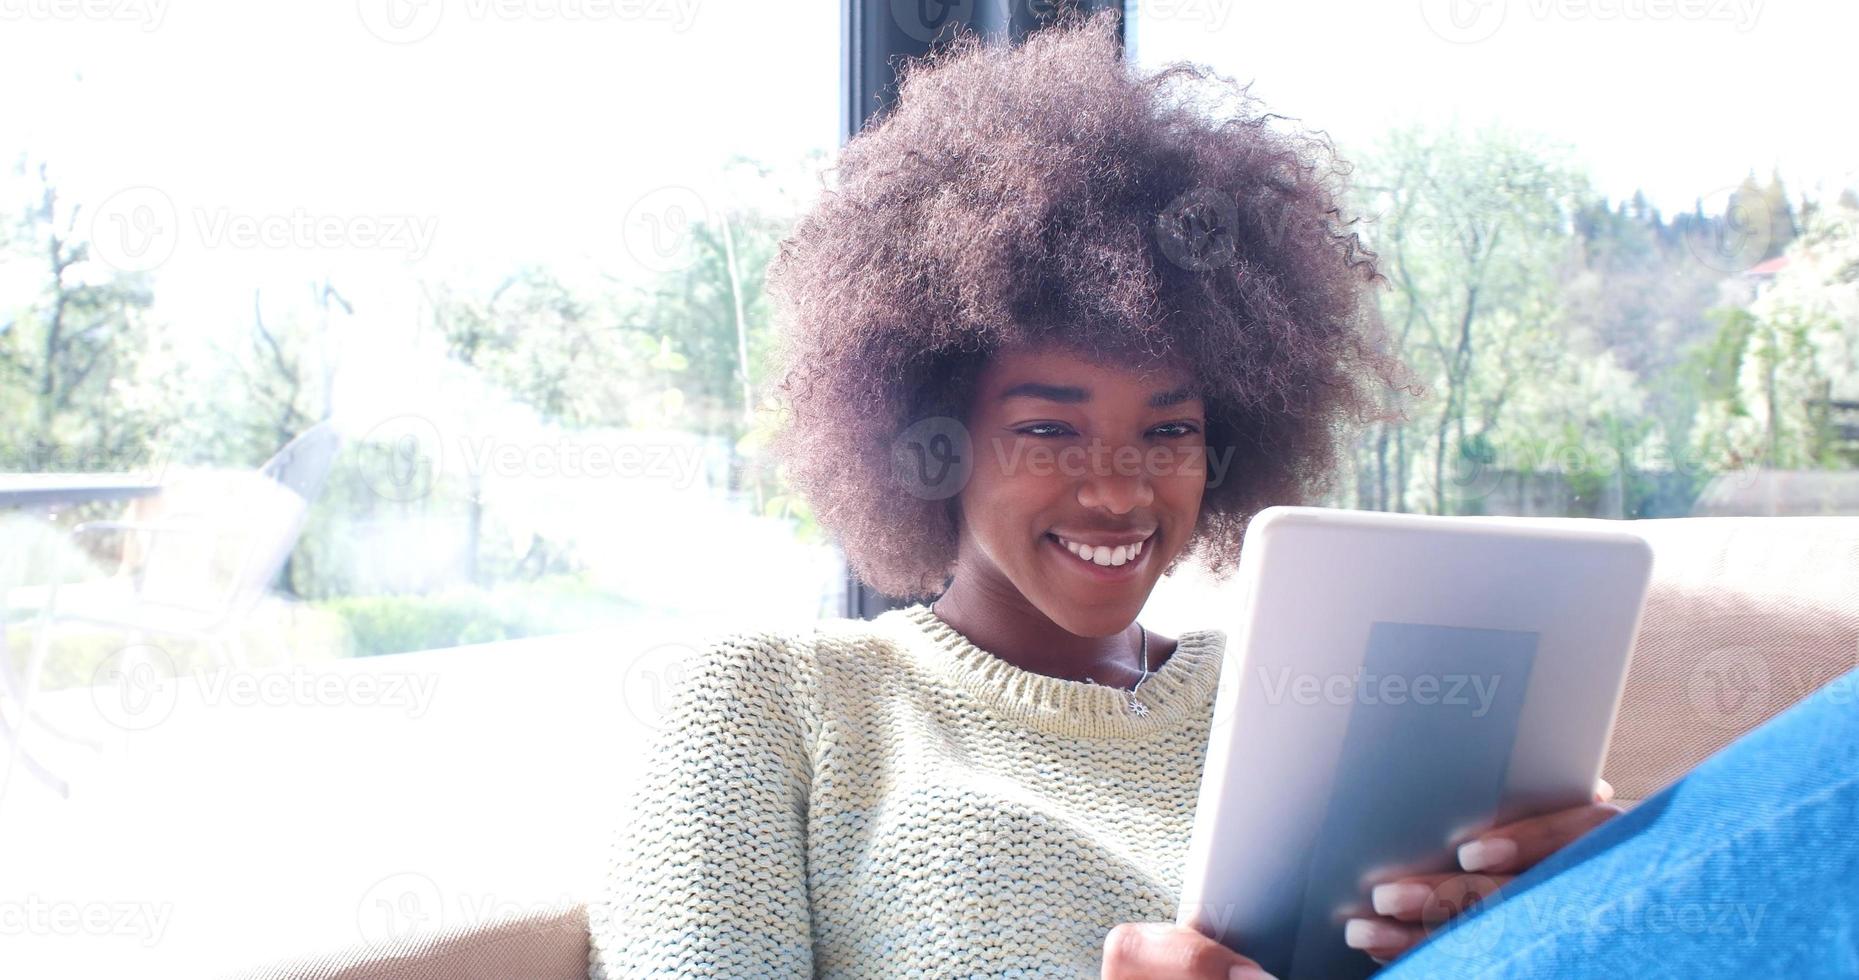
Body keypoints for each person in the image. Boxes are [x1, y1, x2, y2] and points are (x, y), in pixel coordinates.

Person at [587, 9, 1855, 978]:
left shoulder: (1306, 697)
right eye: (1047, 425)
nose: (1117, 483)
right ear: (928, 434)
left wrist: (1572, 885)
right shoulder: (782, 702)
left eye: (1170, 428)